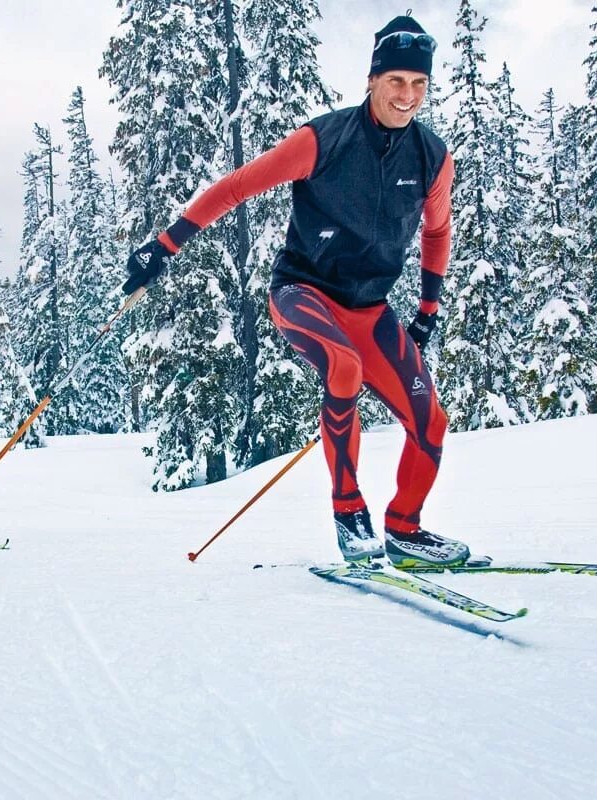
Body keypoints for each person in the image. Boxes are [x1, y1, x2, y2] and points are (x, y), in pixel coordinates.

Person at [121, 14, 467, 568]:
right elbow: (237, 188)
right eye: (396, 81)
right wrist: (163, 247)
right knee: (343, 366)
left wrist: (427, 309)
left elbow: (437, 231)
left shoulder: (431, 156)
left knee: (431, 422)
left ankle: (405, 528)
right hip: (303, 292)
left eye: (419, 84)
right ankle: (349, 513)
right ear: (373, 79)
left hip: (371, 308)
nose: (407, 95)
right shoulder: (323, 140)